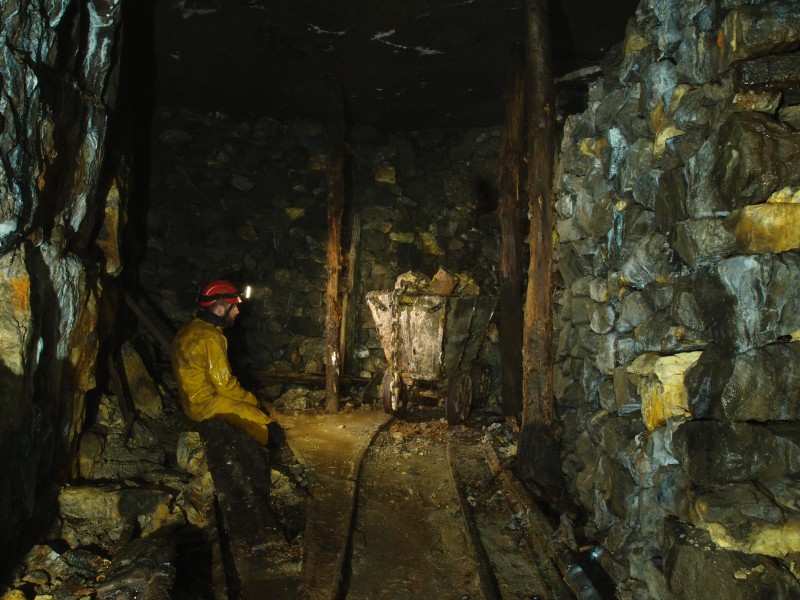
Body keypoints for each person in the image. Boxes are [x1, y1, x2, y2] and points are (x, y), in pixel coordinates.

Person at [171, 279, 284, 448]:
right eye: (234, 307)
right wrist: (252, 402)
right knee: (272, 431)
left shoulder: (190, 329)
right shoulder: (211, 337)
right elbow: (224, 384)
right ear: (219, 309)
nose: (237, 311)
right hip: (206, 406)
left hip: (190, 405)